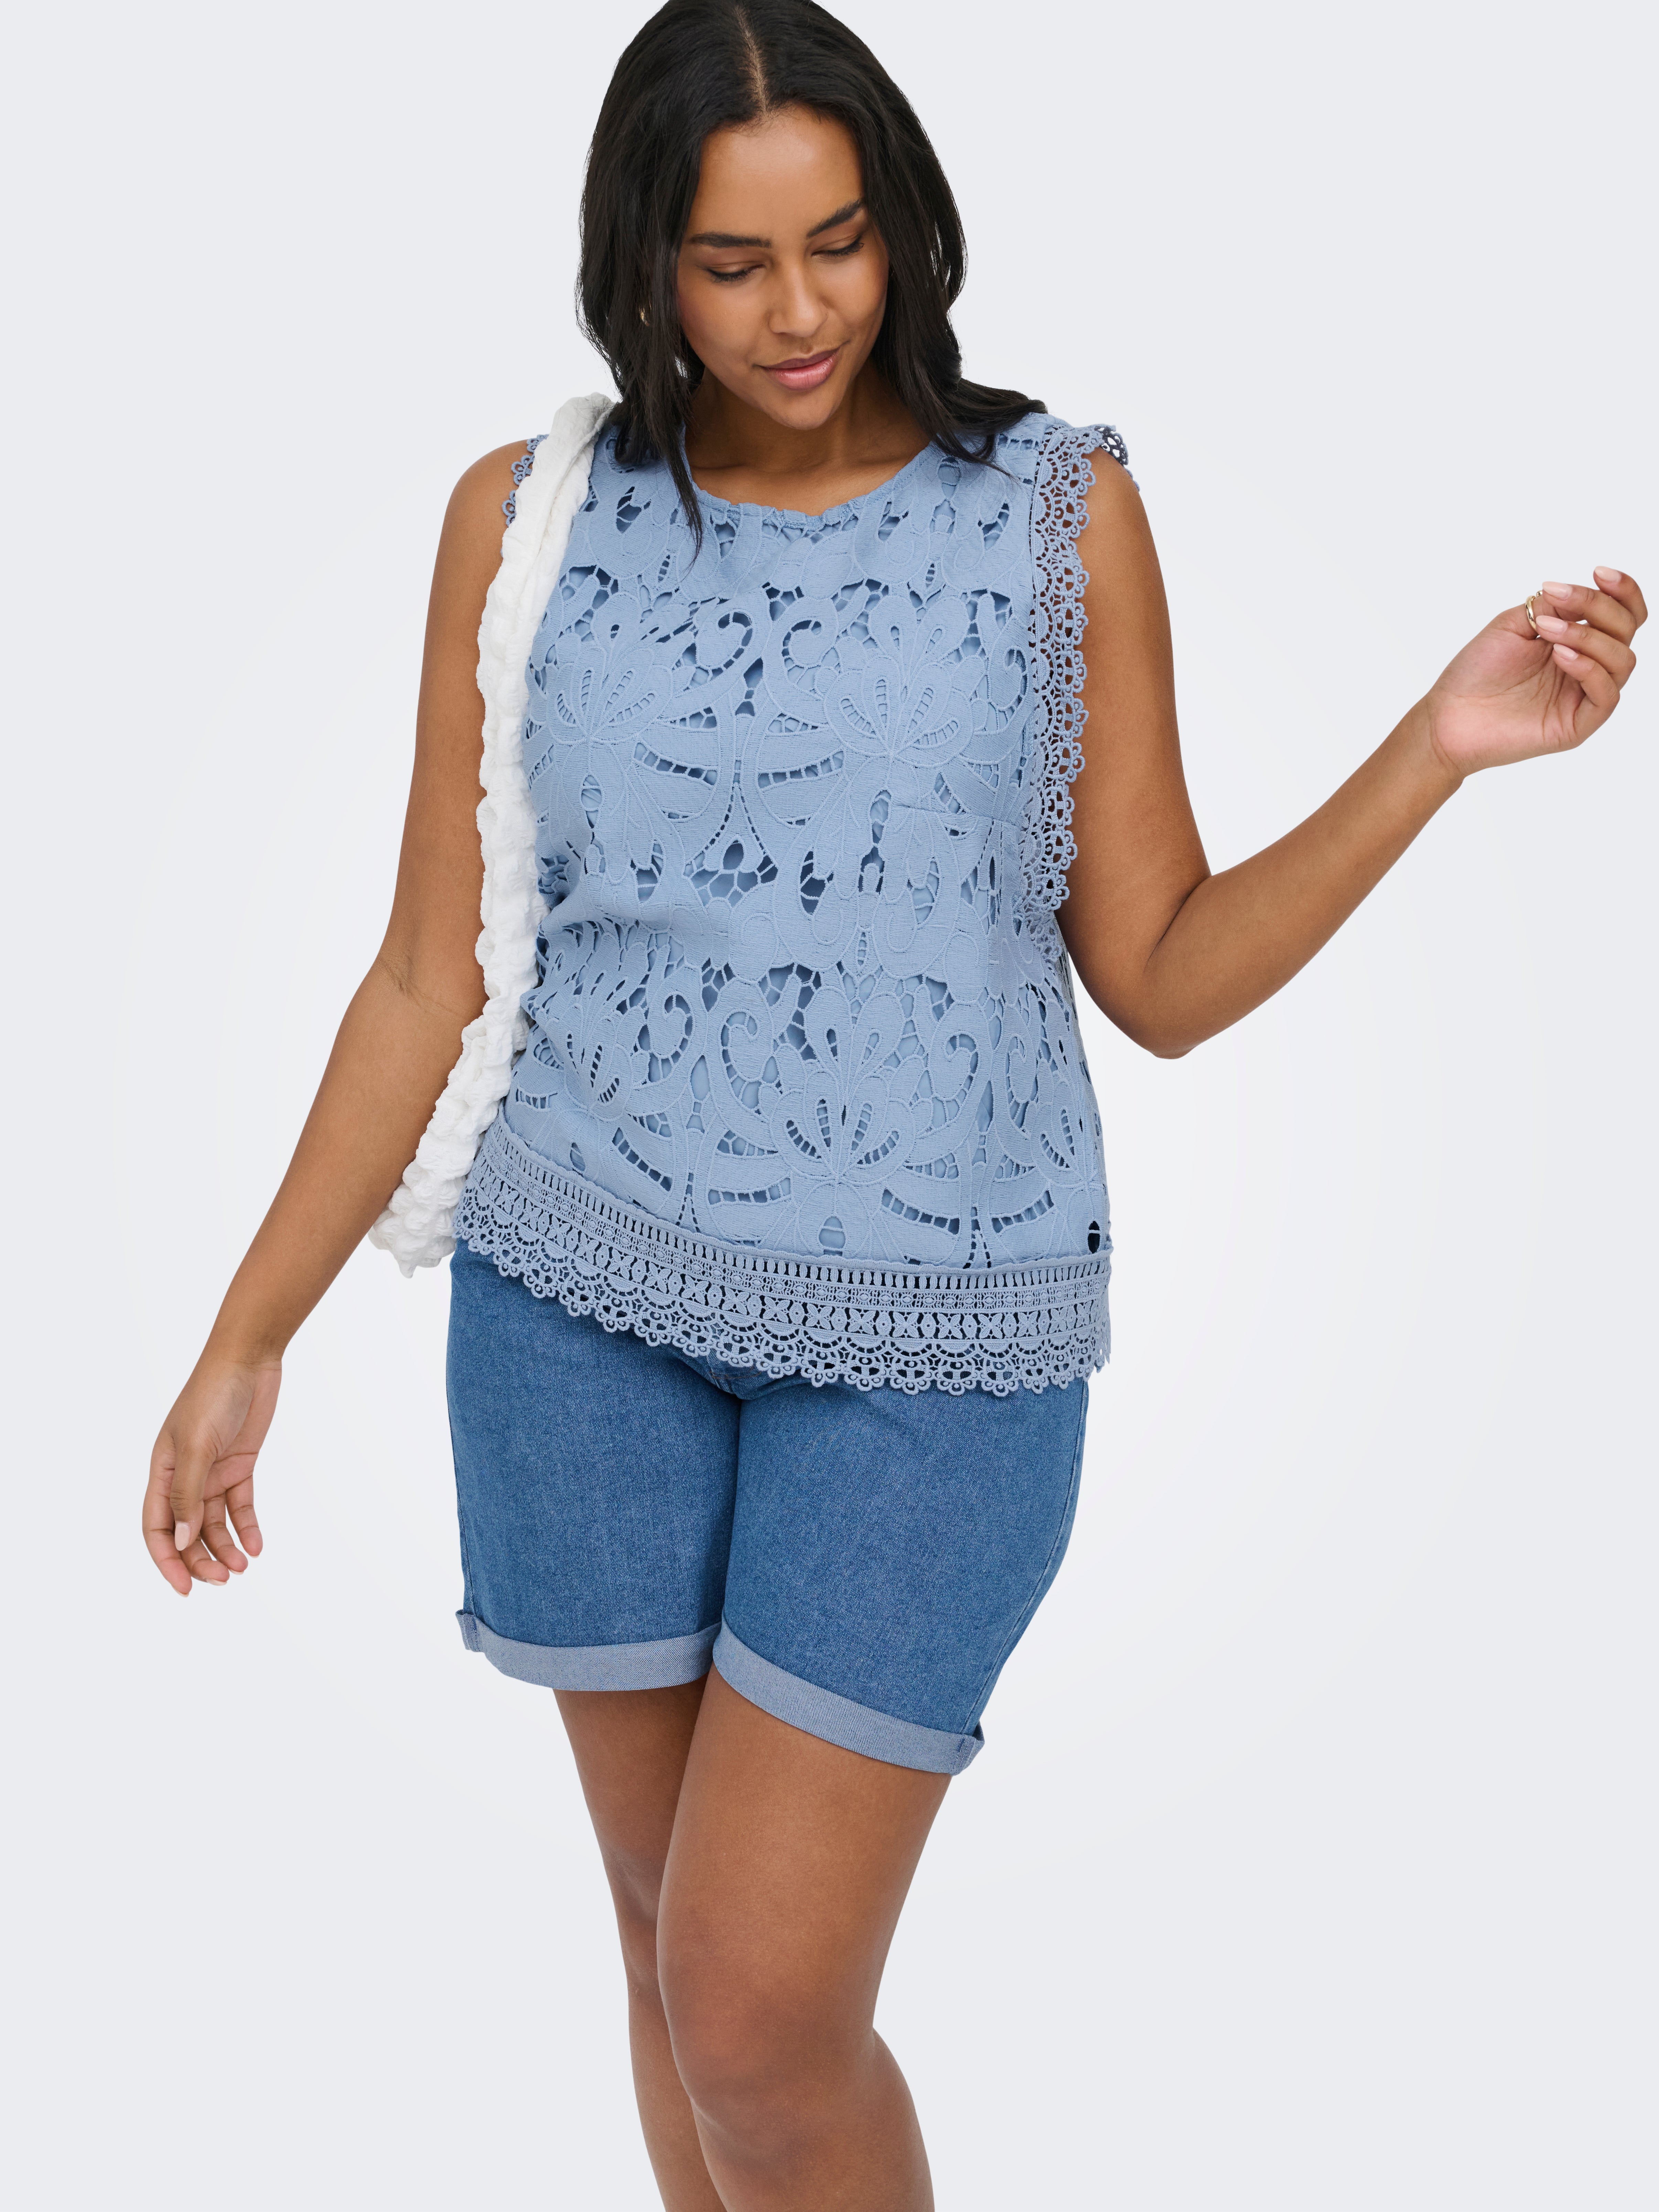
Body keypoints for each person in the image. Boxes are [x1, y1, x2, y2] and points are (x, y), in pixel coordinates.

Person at [141, 2, 1644, 2205]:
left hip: (939, 1341)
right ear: (639, 263)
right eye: (730, 261)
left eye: (837, 242)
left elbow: (1160, 972)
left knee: (759, 2013)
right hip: (575, 1306)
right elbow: (423, 975)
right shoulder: (527, 516)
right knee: (669, 1962)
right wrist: (245, 1333)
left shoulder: (1054, 509)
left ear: (905, 231)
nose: (797, 310)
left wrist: (1431, 749)